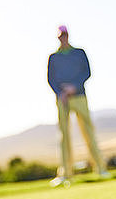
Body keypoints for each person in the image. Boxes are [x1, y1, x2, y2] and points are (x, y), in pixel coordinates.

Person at [47, 25, 109, 186]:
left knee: (88, 131)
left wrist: (73, 87)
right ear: (58, 37)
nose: (63, 38)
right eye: (60, 35)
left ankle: (100, 168)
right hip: (62, 99)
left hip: (79, 95)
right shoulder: (53, 57)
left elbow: (86, 72)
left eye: (65, 35)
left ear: (68, 35)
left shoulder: (79, 53)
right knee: (64, 135)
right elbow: (51, 79)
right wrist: (61, 92)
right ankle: (65, 174)